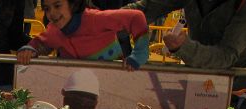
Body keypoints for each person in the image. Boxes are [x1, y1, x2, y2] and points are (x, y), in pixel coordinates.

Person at [124, 0, 246, 92]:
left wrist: (184, 47)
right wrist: (114, 18)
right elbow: (149, 7)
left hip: (239, 83)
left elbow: (226, 55)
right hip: (201, 77)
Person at [16, 0, 149, 71]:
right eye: (47, 8)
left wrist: (139, 54)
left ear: (73, 4)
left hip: (111, 83)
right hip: (77, 87)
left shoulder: (95, 19)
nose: (52, 13)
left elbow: (136, 17)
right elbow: (40, 43)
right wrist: (29, 50)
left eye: (57, 6)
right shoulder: (54, 30)